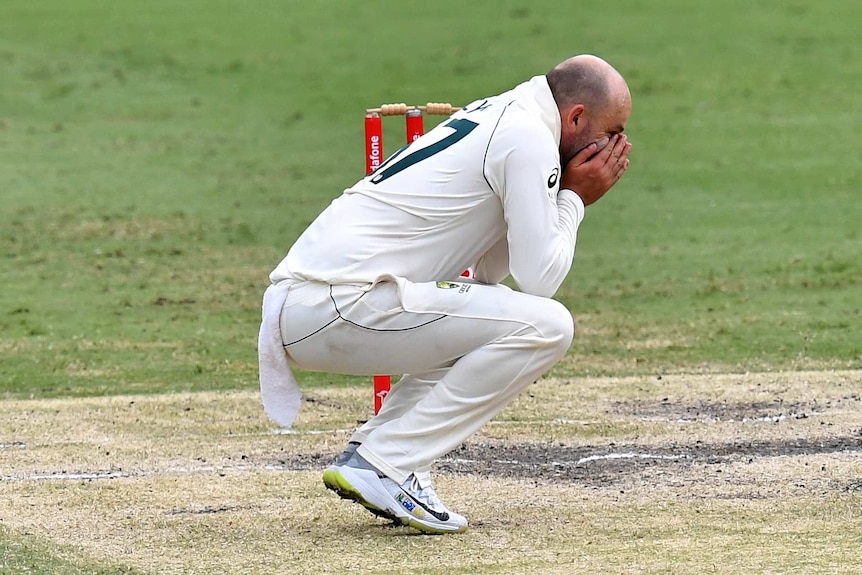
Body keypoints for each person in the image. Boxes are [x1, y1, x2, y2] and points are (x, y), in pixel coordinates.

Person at [257, 54, 632, 534]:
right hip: (335, 303)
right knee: (550, 325)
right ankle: (386, 463)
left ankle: (381, 454)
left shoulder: (507, 114)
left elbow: (494, 273)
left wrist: (557, 196)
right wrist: (576, 198)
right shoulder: (528, 138)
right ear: (576, 117)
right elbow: (541, 280)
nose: (618, 147)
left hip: (313, 305)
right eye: (613, 130)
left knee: (496, 321)